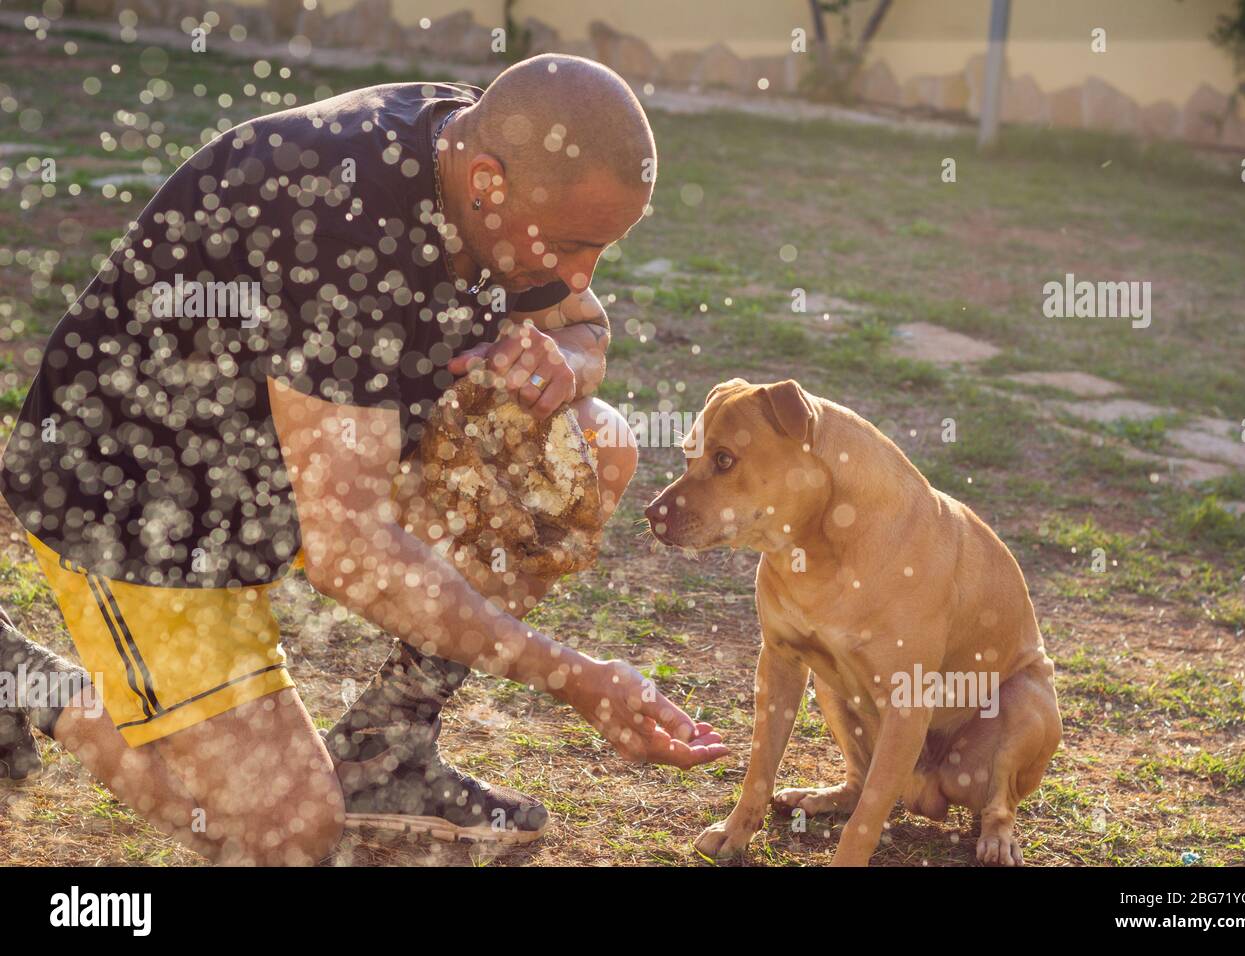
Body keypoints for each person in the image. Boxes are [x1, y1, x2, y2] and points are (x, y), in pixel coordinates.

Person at [0, 53, 727, 865]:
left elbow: (585, 327)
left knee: (595, 445)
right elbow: (350, 551)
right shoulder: (341, 218)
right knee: (286, 834)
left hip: (297, 457)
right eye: (570, 246)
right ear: (485, 181)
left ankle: (388, 748)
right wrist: (578, 678)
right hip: (138, 495)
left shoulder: (494, 174)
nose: (579, 273)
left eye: (600, 249)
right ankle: (23, 680)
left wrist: (568, 364)